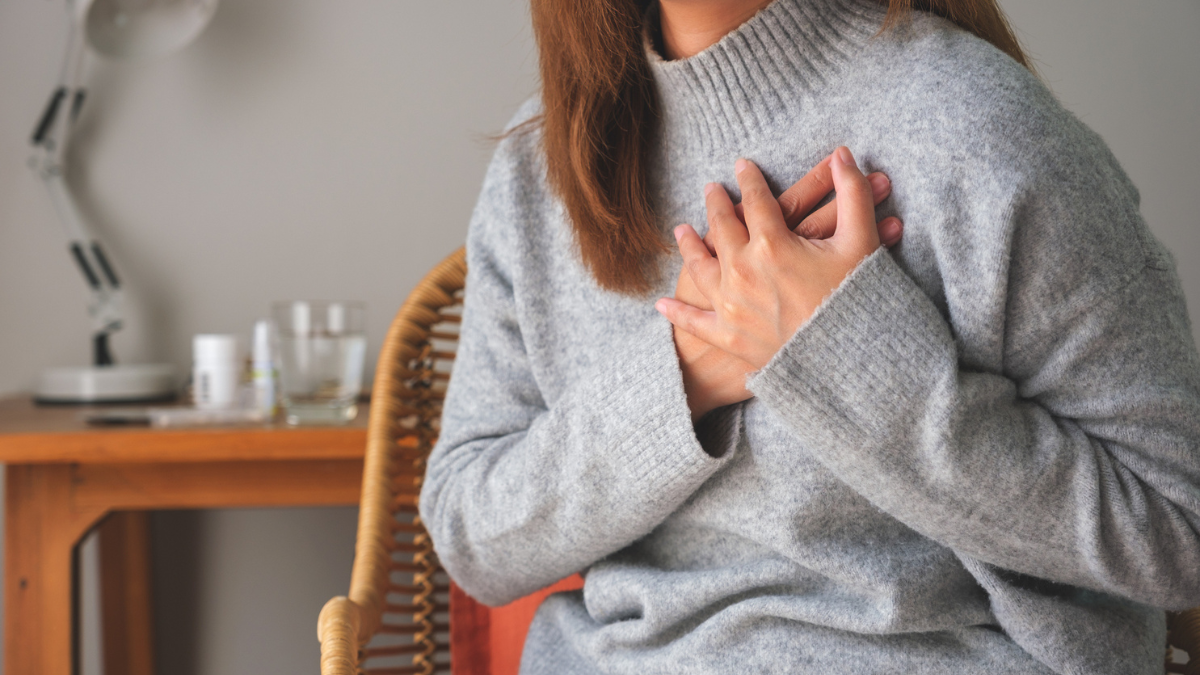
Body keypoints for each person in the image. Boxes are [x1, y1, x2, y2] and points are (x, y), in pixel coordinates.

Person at [419, 0, 1200, 672]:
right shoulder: (540, 168)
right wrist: (685, 373)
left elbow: (1179, 530)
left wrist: (842, 354)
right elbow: (470, 532)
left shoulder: (975, 125)